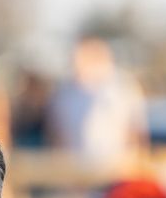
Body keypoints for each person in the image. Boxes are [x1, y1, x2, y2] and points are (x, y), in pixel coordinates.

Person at [48, 37, 147, 169]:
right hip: (75, 175)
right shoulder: (64, 91)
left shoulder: (123, 86)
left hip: (116, 170)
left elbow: (136, 133)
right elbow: (57, 136)